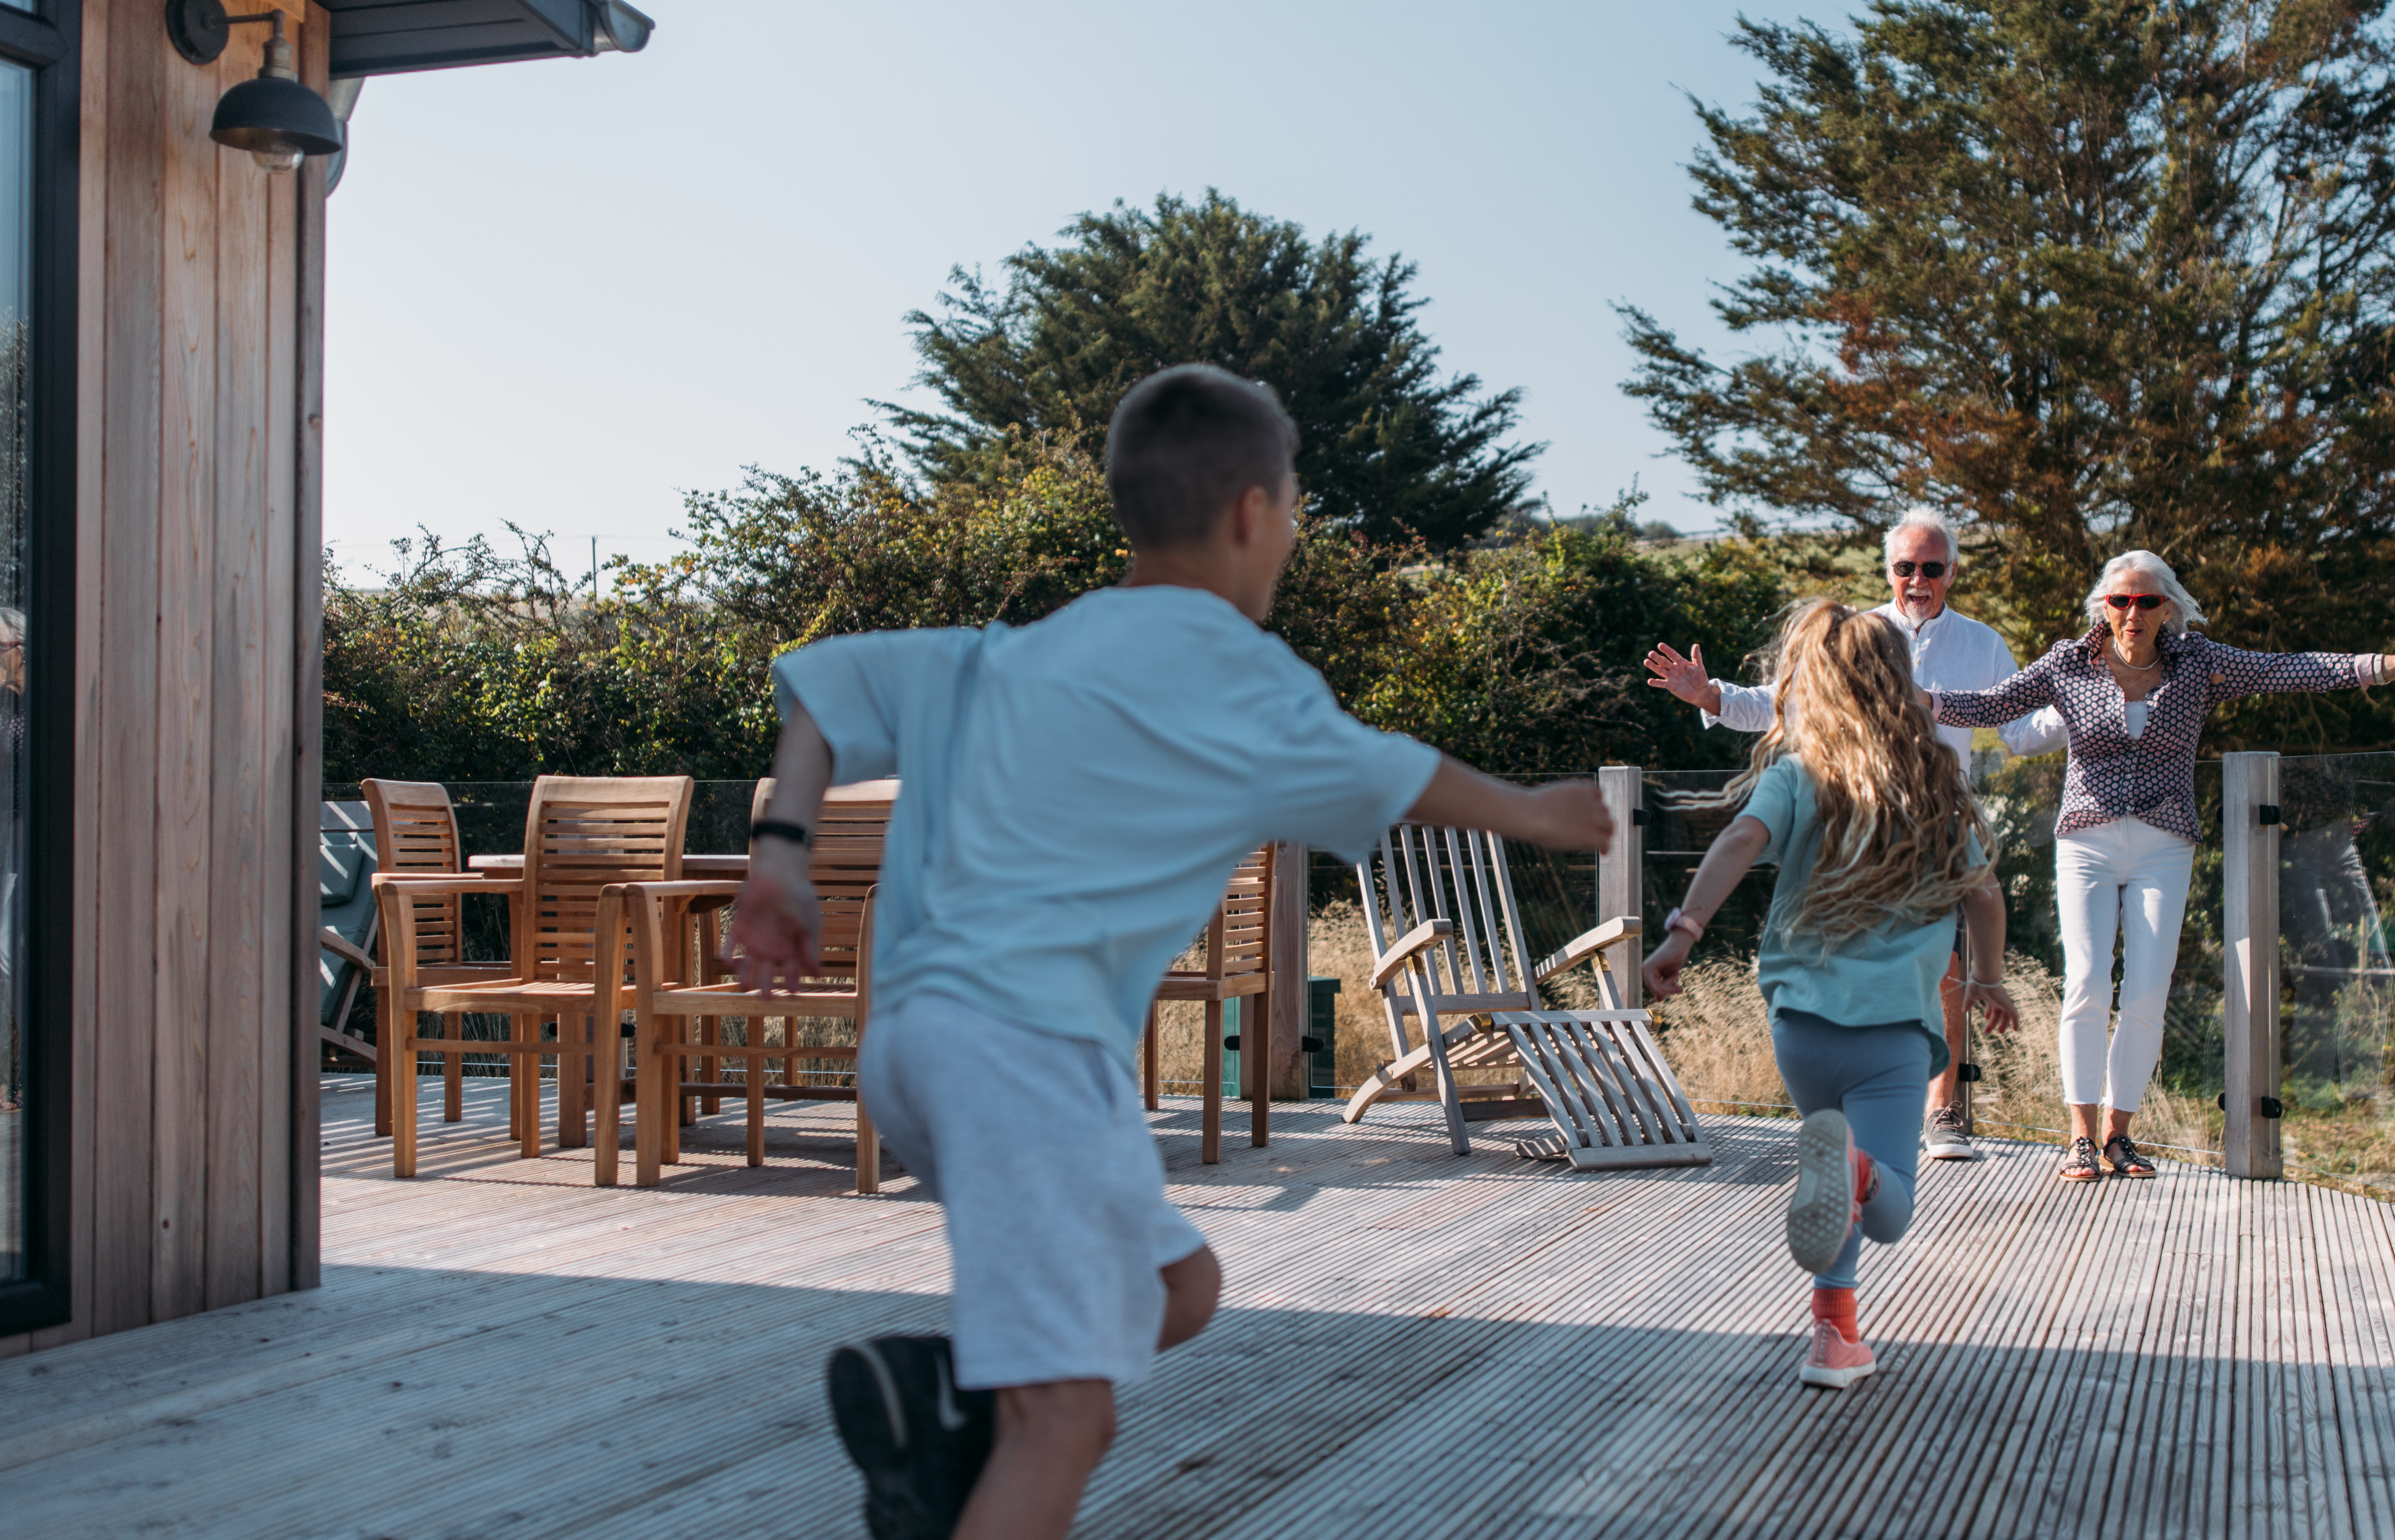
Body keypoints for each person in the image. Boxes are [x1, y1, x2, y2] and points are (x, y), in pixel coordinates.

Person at [730, 365, 1612, 1540]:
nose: (1293, 536)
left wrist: (779, 853)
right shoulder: (1236, 670)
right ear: (1253, 511)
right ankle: (981, 1405)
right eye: (1295, 510)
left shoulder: (1021, 649)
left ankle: (944, 1397)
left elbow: (830, 691)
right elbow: (1394, 771)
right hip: (1024, 1052)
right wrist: (1538, 811)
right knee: (1065, 1416)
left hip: (917, 1047)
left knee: (1176, 1288)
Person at [1931, 551, 2395, 1182]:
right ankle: (2076, 1133)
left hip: (2163, 842)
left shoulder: (2198, 662)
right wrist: (1904, 696)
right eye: (2121, 601)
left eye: (2146, 601)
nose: (2132, 612)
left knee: (2148, 989)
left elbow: (2288, 671)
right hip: (2086, 842)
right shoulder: (2067, 663)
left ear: (2167, 609)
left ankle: (2116, 1135)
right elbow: (1990, 707)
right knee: (2087, 986)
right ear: (2103, 606)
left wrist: (2383, 667)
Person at [1643, 598, 2019, 1388]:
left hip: (1799, 1026)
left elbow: (1740, 838)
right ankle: (1858, 1176)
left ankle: (1833, 1338)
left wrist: (1683, 932)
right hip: (1888, 1032)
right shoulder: (1934, 787)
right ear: (1899, 682)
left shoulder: (1795, 775)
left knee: (1833, 1174)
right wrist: (1988, 977)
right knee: (1886, 1200)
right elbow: (1983, 895)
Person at [1644, 507, 2063, 1161]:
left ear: (1950, 572)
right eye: (1905, 568)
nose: (1917, 579)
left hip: (1934, 816)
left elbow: (2016, 728)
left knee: (1942, 967)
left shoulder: (1981, 644)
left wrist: (2083, 717)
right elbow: (1783, 703)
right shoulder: (1859, 635)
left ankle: (1941, 1108)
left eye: (1930, 568)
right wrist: (1710, 697)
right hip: (1850, 817)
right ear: (1888, 572)